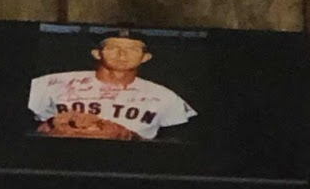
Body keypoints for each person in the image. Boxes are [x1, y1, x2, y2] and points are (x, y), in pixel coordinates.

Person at [28, 32, 197, 142]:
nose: (122, 54)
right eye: (113, 47)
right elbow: (18, 128)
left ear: (146, 57)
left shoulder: (164, 96)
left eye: (133, 49)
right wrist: (47, 128)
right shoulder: (52, 83)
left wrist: (130, 137)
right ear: (97, 53)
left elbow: (180, 143)